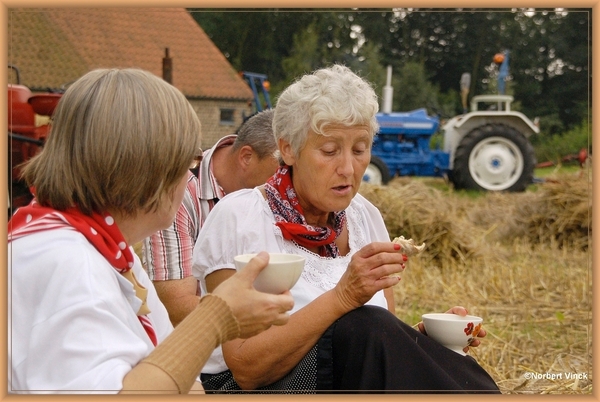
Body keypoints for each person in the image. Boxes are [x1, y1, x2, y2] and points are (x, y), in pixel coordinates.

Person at [192, 64, 500, 393]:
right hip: (255, 391)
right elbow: (246, 369)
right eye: (329, 150)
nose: (348, 168)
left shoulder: (364, 216)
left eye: (359, 149)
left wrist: (417, 345)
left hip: (335, 382)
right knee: (366, 326)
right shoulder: (240, 217)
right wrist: (344, 297)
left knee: (447, 361)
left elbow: (368, 347)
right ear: (288, 149)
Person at [7, 68, 294, 394]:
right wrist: (217, 318)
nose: (189, 178)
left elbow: (173, 373)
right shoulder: (68, 263)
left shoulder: (106, 249)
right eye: (187, 162)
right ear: (147, 169)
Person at [142, 109, 279, 326]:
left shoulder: (284, 193)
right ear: (246, 157)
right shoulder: (179, 194)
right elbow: (175, 307)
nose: (287, 181)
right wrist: (260, 313)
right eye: (281, 170)